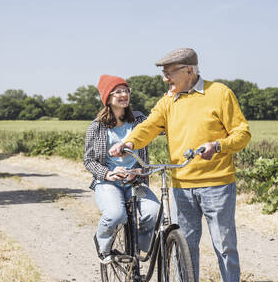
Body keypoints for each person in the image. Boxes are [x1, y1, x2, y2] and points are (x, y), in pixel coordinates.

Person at [109, 48, 251, 282]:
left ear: (189, 70)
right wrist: (130, 142)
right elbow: (150, 126)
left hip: (217, 184)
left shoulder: (220, 93)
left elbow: (242, 133)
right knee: (185, 247)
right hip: (181, 186)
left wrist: (217, 145)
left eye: (169, 73)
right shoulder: (168, 101)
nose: (165, 78)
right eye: (163, 73)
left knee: (224, 246)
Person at [84, 74, 160, 264]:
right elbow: (89, 160)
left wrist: (139, 171)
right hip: (109, 182)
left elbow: (161, 127)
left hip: (136, 180)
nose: (123, 94)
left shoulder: (139, 119)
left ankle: (140, 248)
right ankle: (102, 243)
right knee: (116, 215)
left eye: (126, 90)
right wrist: (108, 174)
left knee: (154, 212)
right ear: (108, 97)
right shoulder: (97, 127)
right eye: (118, 91)